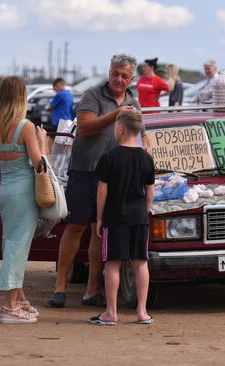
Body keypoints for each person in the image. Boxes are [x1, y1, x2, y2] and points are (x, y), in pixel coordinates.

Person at [47, 54, 147, 308]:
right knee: (75, 227)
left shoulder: (133, 99)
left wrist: (144, 150)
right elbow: (84, 128)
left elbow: (141, 134)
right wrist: (115, 115)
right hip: (84, 170)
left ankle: (92, 290)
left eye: (124, 75)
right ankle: (60, 288)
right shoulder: (93, 95)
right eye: (115, 73)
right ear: (109, 72)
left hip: (114, 177)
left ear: (131, 78)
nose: (119, 79)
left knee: (99, 231)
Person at [0, 76, 47, 324]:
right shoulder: (25, 127)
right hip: (24, 191)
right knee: (18, 246)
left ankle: (19, 298)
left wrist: (3, 185)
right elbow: (38, 163)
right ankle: (10, 305)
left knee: (12, 241)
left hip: (6, 191)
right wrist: (43, 144)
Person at [89, 109, 155, 326]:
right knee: (140, 263)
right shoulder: (147, 158)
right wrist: (146, 209)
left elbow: (102, 192)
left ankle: (111, 312)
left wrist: (99, 218)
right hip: (139, 217)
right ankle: (142, 312)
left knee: (113, 264)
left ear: (120, 129)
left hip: (115, 217)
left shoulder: (109, 158)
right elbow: (150, 191)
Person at [47, 77, 74, 153]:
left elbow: (50, 106)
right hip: (68, 122)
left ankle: (51, 158)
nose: (55, 90)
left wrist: (48, 107)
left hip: (58, 122)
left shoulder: (59, 94)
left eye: (55, 88)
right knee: (65, 142)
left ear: (58, 85)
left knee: (51, 140)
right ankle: (63, 160)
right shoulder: (70, 94)